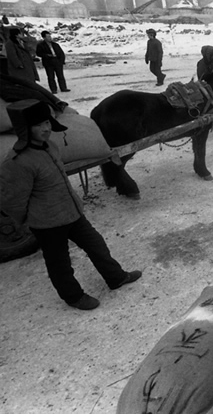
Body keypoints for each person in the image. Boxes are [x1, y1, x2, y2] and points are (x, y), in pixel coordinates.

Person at [0, 100, 142, 310]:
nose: (46, 128)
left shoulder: (51, 146)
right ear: (24, 129)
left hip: (72, 212)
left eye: (46, 123)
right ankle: (73, 296)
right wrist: (31, 220)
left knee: (97, 246)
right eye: (38, 125)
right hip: (47, 223)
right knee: (60, 263)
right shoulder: (18, 162)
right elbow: (12, 199)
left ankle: (116, 277)